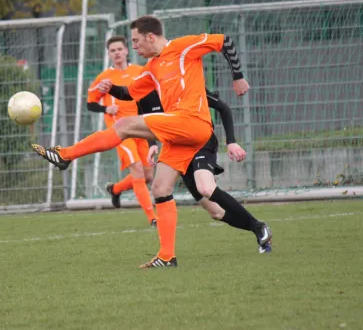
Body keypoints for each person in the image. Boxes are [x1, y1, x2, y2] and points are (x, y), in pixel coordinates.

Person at [32, 15, 249, 269]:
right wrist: (110, 88)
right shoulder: (153, 67)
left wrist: (238, 76)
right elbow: (129, 92)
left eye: (135, 41)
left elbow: (225, 41)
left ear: (150, 37)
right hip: (180, 133)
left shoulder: (182, 46)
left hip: (193, 122)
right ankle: (167, 256)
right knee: (160, 188)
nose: (133, 47)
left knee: (124, 125)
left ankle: (66, 155)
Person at [145, 89, 272, 253]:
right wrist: (152, 144)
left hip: (201, 143)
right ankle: (259, 228)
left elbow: (224, 108)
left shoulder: (186, 84)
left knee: (206, 188)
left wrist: (231, 142)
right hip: (177, 150)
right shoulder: (149, 91)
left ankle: (259, 227)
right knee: (216, 213)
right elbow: (147, 120)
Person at [87, 35, 157, 226]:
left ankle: (116, 189)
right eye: (113, 50)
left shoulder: (139, 71)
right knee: (136, 169)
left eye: (120, 49)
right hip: (121, 132)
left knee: (148, 175)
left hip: (141, 128)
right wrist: (105, 108)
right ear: (109, 54)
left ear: (127, 50)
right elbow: (90, 104)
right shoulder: (104, 78)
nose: (117, 53)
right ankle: (153, 217)